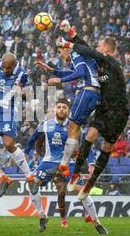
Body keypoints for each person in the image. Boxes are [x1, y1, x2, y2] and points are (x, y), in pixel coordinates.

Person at [58, 21, 130, 201]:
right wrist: (71, 32)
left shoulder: (112, 61)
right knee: (89, 137)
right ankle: (75, 175)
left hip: (119, 112)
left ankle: (90, 185)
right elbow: (88, 48)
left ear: (106, 48)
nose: (97, 47)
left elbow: (88, 51)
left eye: (99, 45)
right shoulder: (102, 60)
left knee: (107, 147)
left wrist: (69, 44)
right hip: (103, 108)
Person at [24, 99, 108, 234]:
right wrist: (25, 152)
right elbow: (33, 139)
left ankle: (97, 222)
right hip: (49, 162)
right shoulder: (46, 124)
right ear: (55, 110)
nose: (61, 109)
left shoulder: (75, 127)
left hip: (69, 163)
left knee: (83, 191)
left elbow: (85, 146)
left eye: (64, 107)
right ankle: (42, 216)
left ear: (68, 111)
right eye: (59, 107)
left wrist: (91, 163)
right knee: (32, 184)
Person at [35, 34, 101, 182]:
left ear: (65, 48)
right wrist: (50, 69)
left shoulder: (76, 54)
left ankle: (64, 164)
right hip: (95, 94)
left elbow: (80, 73)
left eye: (59, 52)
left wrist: (59, 80)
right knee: (78, 129)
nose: (60, 55)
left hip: (87, 91)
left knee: (72, 125)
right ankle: (85, 161)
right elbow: (72, 73)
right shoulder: (80, 57)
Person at [0, 51, 36, 197]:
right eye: (3, 67)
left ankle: (30, 178)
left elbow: (24, 95)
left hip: (9, 111)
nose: (4, 70)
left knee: (9, 144)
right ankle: (3, 178)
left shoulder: (22, 74)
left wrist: (21, 92)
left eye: (8, 68)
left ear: (15, 65)